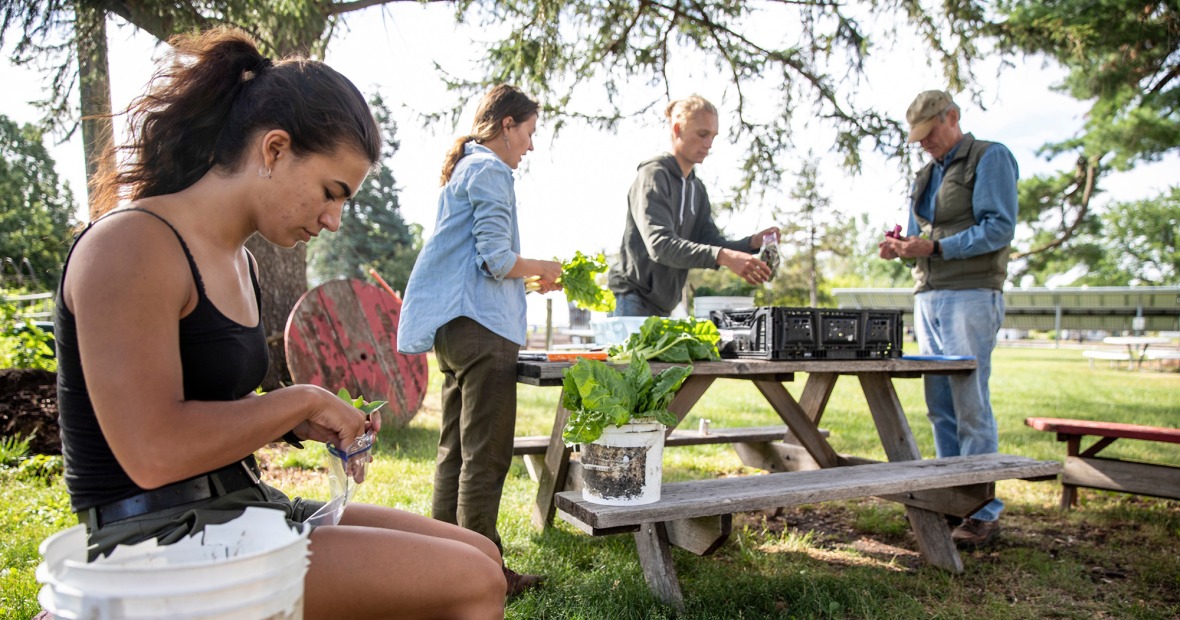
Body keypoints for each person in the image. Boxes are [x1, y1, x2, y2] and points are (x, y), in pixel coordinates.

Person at [55, 28, 506, 619]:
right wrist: (298, 401)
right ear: (273, 150)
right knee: (476, 581)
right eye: (330, 192)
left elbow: (210, 403)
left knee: (480, 553)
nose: (334, 219)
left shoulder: (239, 262)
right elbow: (152, 451)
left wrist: (301, 421)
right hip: (154, 544)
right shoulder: (131, 244)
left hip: (241, 508)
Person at [397, 84, 562, 595]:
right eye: (529, 132)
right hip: (483, 334)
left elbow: (476, 265)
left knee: (454, 451)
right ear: (507, 125)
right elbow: (495, 259)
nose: (531, 145)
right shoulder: (491, 170)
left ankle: (441, 565)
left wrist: (527, 278)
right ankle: (483, 574)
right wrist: (544, 265)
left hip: (456, 329)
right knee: (486, 456)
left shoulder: (466, 169)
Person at [878, 90, 1019, 548]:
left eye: (929, 133)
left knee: (969, 402)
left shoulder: (989, 158)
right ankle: (953, 496)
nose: (924, 143)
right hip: (929, 295)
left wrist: (937, 247)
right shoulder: (926, 174)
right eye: (917, 137)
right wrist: (901, 247)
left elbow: (999, 227)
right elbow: (918, 235)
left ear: (952, 117)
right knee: (939, 404)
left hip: (972, 293)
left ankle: (982, 511)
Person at [607, 94, 777, 317]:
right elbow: (660, 245)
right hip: (633, 299)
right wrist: (724, 256)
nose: (709, 144)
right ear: (677, 129)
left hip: (666, 305)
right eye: (702, 134)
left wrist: (751, 243)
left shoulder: (697, 189)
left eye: (713, 136)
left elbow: (710, 242)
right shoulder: (654, 175)